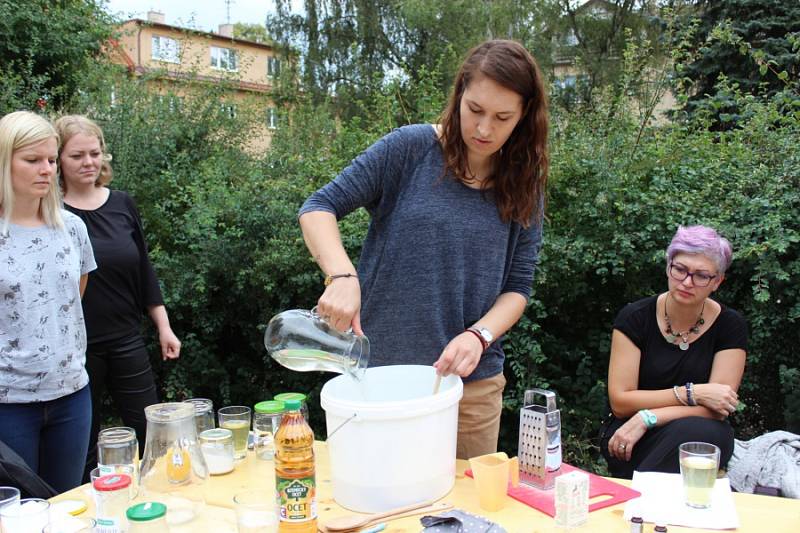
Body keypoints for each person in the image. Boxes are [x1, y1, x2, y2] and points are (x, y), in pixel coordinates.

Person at [298, 40, 548, 459]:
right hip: (378, 379)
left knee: (461, 517)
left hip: (471, 388)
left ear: (523, 118)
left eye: (502, 117)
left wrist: (479, 335)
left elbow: (518, 288)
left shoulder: (525, 185)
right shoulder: (410, 149)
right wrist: (341, 276)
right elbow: (318, 207)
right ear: (459, 96)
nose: (484, 129)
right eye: (475, 110)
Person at [54, 115, 181, 481]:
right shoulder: (51, 214)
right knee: (79, 446)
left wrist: (164, 327)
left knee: (152, 435)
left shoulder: (122, 203)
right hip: (76, 350)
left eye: (94, 153)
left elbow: (144, 271)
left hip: (127, 340)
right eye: (77, 155)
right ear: (59, 159)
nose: (89, 162)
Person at [600, 225, 747, 478]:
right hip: (630, 435)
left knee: (700, 433)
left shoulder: (730, 325)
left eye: (701, 276)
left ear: (718, 281)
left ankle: (642, 503)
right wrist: (694, 393)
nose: (687, 282)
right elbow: (621, 402)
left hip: (694, 431)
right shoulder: (634, 318)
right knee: (692, 442)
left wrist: (650, 416)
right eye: (679, 269)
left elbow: (718, 406)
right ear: (668, 266)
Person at [0, 110, 97, 492]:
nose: (46, 170)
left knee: (67, 504)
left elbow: (73, 296)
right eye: (32, 160)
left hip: (72, 394)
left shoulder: (71, 227)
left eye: (52, 160)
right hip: (9, 400)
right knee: (18, 511)